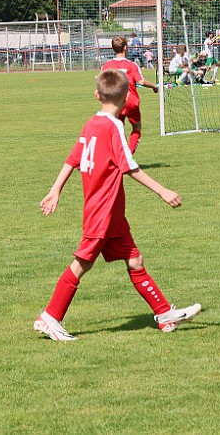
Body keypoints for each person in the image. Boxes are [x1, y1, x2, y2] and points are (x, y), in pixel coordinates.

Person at [34, 69, 201, 341]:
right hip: (102, 211)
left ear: (96, 95)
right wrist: (162, 190)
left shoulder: (91, 124)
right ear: (127, 98)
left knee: (135, 260)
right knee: (81, 264)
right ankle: (50, 317)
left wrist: (55, 190)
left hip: (112, 214)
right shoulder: (114, 127)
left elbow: (72, 159)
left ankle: (163, 314)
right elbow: (129, 166)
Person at [102, 35, 159, 154]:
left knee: (118, 128)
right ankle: (128, 155)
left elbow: (102, 83)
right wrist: (154, 86)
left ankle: (120, 155)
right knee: (136, 128)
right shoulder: (132, 65)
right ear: (125, 48)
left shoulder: (107, 65)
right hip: (131, 100)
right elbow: (141, 82)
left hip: (116, 102)